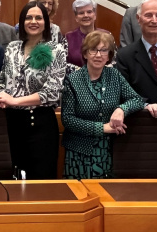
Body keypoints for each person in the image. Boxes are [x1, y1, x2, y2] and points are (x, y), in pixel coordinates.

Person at [0, 2, 66, 179]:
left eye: (38, 17)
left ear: (46, 22)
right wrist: (2, 95)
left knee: (40, 179)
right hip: (11, 122)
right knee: (12, 177)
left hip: (40, 123)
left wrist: (15, 101)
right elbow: (2, 79)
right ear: (22, 22)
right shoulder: (12, 48)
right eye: (29, 17)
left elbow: (53, 92)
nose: (33, 21)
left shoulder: (56, 50)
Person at [61, 31, 145, 179]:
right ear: (85, 54)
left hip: (109, 150)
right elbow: (68, 120)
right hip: (79, 151)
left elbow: (137, 100)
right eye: (93, 50)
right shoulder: (72, 80)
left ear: (109, 55)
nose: (98, 55)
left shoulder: (115, 76)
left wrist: (121, 109)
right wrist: (102, 128)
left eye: (104, 50)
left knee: (109, 194)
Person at [65, 0, 109, 67]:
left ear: (94, 15)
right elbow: (64, 64)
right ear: (76, 18)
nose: (86, 15)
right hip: (75, 77)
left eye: (89, 12)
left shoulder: (107, 35)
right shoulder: (68, 38)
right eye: (81, 13)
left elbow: (114, 61)